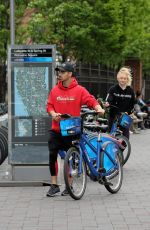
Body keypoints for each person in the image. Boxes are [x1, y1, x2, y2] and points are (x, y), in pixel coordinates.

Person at [46, 62, 105, 197]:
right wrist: (53, 114)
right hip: (56, 129)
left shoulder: (79, 90)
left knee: (71, 156)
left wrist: (98, 108)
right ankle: (54, 185)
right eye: (58, 72)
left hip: (72, 129)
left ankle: (69, 185)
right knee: (52, 154)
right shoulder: (55, 90)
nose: (59, 74)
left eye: (62, 71)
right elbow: (49, 106)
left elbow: (91, 100)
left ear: (70, 74)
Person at [105, 67, 135, 139]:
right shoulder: (113, 89)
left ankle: (120, 150)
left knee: (126, 138)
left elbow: (132, 104)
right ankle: (113, 149)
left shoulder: (130, 91)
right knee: (112, 137)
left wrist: (129, 112)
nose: (123, 80)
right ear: (118, 78)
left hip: (125, 117)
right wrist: (107, 103)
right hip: (114, 116)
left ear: (127, 79)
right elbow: (108, 99)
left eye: (125, 78)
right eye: (121, 78)